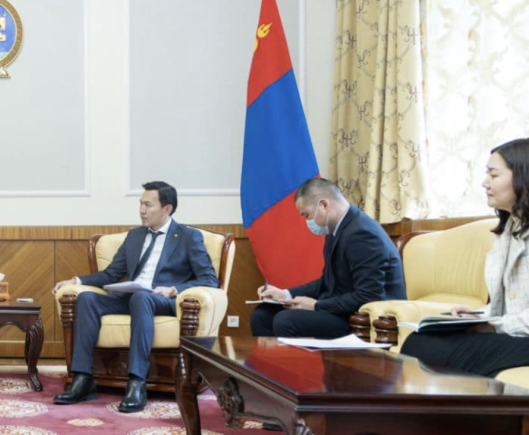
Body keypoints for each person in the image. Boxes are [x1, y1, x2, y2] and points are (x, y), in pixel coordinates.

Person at [339, 137, 529, 435]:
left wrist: (496, 325)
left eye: (493, 174)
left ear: (525, 175)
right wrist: (476, 316)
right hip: (527, 335)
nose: (485, 182)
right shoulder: (511, 226)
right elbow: (510, 305)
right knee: (422, 339)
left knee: (435, 350)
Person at [52, 181, 218, 413]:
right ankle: (82, 379)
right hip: (132, 297)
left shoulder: (188, 237)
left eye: (148, 205)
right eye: (140, 204)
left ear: (167, 209)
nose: (141, 210)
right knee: (87, 299)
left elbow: (209, 279)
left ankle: (137, 382)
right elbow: (111, 274)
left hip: (162, 300)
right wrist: (76, 281)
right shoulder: (134, 236)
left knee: (141, 298)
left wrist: (174, 289)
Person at [252, 177, 406, 339]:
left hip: (366, 318)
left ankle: (291, 358)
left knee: (286, 320)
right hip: (343, 308)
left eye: (307, 215)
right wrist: (285, 294)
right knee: (262, 315)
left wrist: (317, 305)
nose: (307, 221)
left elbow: (369, 295)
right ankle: (271, 357)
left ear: (324, 205)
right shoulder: (335, 230)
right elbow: (328, 281)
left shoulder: (362, 234)